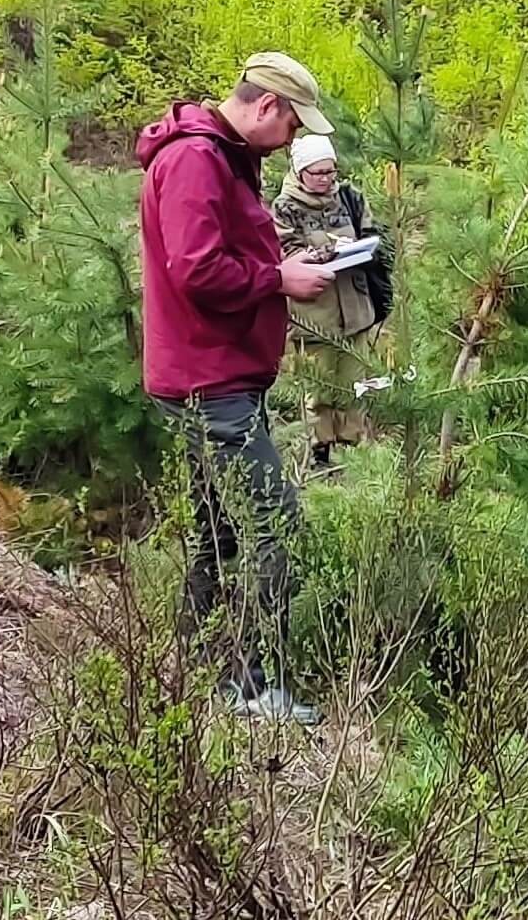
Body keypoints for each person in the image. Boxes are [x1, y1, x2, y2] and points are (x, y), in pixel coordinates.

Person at [136, 52, 336, 725]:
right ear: (267, 107)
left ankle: (196, 670)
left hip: (209, 374)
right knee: (276, 527)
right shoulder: (197, 160)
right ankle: (252, 687)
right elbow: (197, 271)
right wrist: (279, 280)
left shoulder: (222, 156)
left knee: (215, 530)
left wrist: (277, 266)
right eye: (291, 126)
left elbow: (220, 255)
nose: (290, 143)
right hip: (208, 379)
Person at [273, 136, 385, 467]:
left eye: (331, 172)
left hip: (354, 305)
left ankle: (351, 445)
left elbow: (372, 233)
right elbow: (284, 253)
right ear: (300, 171)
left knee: (354, 382)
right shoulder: (285, 207)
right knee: (320, 385)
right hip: (314, 312)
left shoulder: (349, 197)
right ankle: (319, 452)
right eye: (318, 172)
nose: (326, 179)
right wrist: (324, 254)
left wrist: (365, 248)